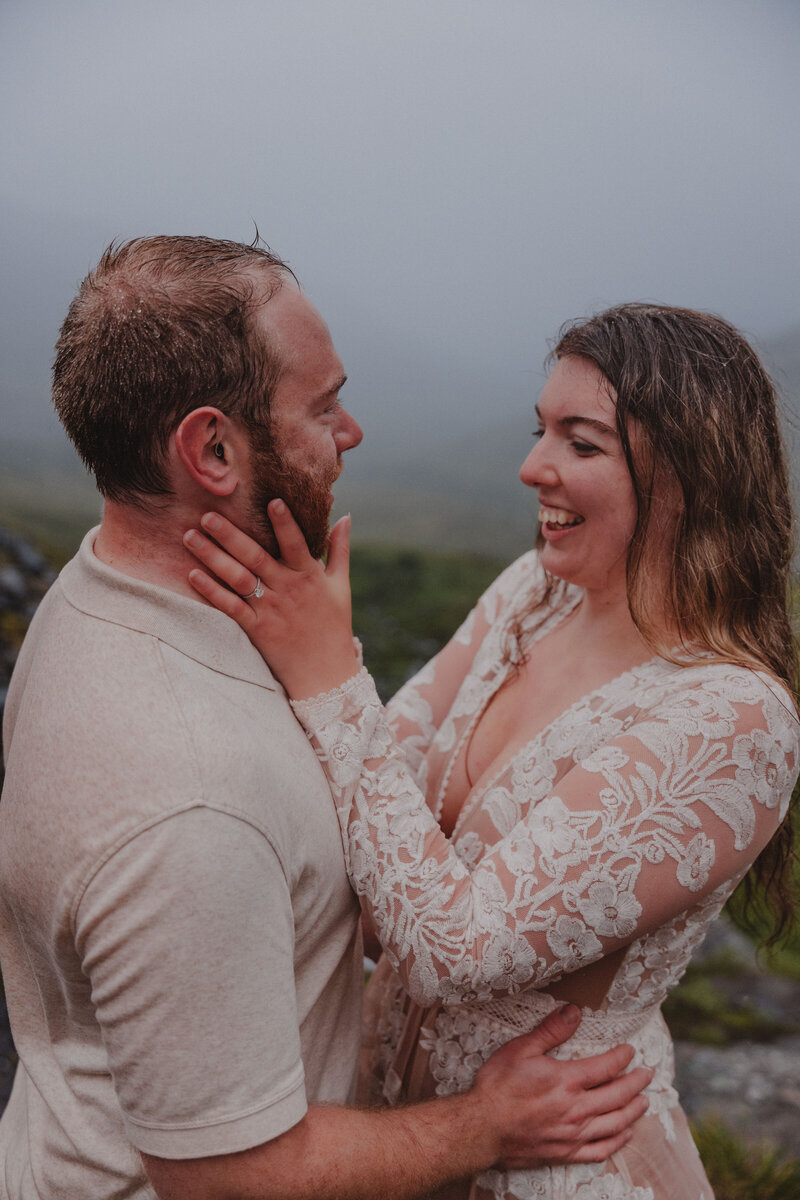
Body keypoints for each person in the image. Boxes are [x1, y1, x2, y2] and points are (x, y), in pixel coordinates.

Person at [0, 237, 651, 1200]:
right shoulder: (193, 800)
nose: (351, 432)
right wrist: (485, 1125)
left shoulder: (98, 582)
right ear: (212, 449)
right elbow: (234, 1178)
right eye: (321, 405)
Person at [184, 302, 800, 1200]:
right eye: (540, 429)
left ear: (689, 478)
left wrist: (326, 671)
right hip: (401, 1128)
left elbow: (454, 951)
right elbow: (366, 781)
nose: (531, 467)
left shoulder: (734, 717)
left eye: (581, 444)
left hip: (559, 1159)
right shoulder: (532, 592)